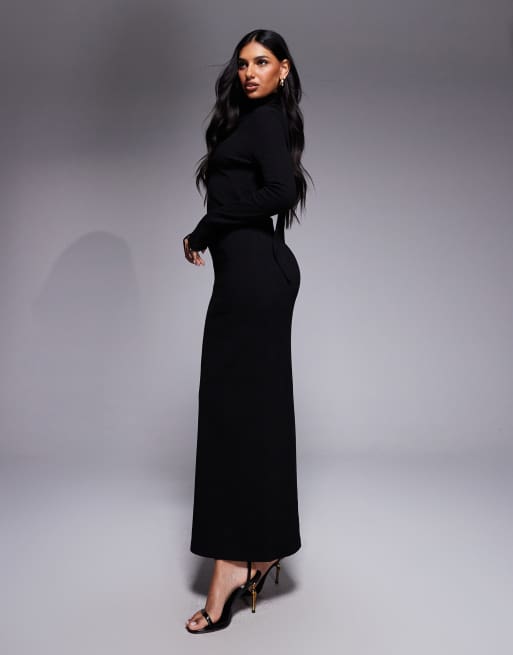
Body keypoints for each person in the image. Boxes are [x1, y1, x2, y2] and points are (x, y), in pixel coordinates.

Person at [182, 28, 312, 634]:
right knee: (245, 414)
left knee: (239, 415)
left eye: (262, 62)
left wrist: (206, 228)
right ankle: (257, 552)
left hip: (256, 283)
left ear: (283, 69)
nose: (249, 72)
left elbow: (279, 192)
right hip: (246, 281)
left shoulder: (266, 121)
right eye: (242, 63)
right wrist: (211, 228)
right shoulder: (245, 121)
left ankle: (233, 566)